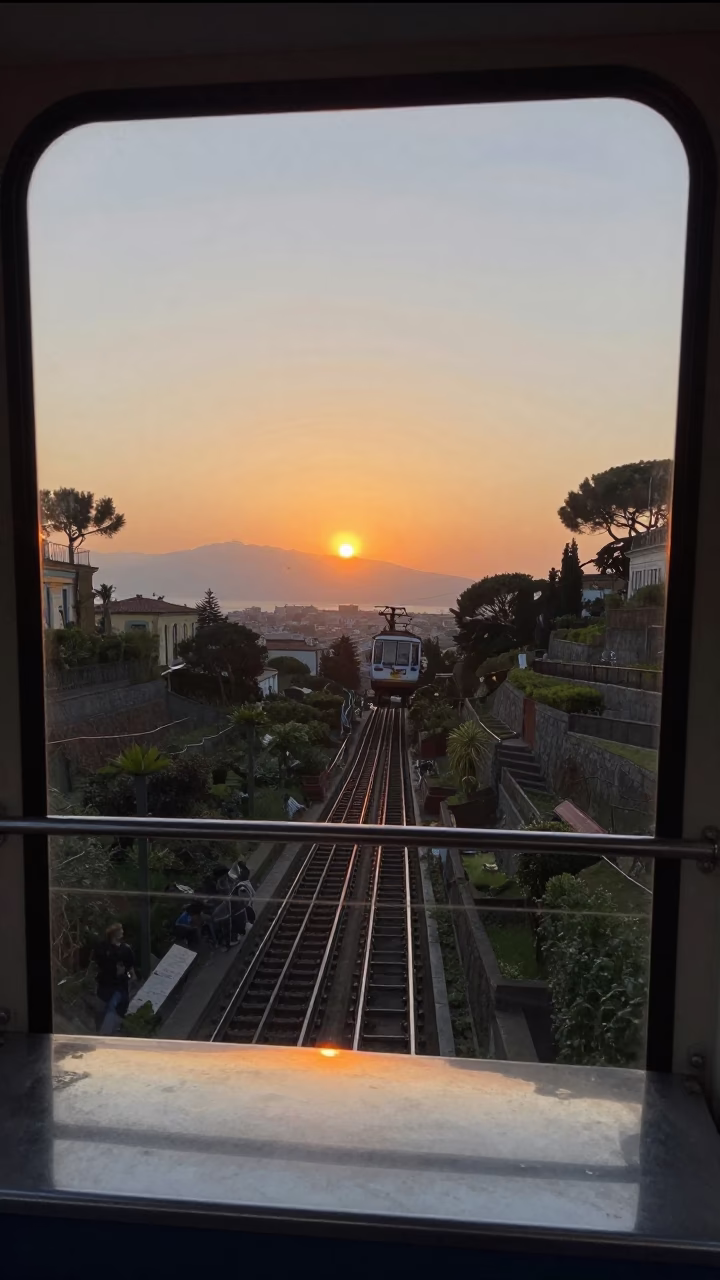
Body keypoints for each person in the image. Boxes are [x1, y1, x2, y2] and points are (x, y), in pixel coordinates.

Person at [92, 923, 136, 1033]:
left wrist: (131, 978)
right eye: (120, 931)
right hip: (104, 983)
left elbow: (130, 967)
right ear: (114, 933)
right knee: (101, 1009)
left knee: (113, 1005)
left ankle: (106, 1033)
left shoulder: (126, 949)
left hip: (119, 985)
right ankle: (102, 1031)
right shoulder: (102, 947)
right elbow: (96, 964)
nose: (122, 933)